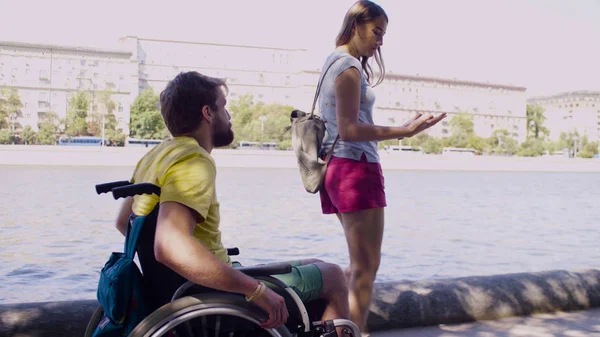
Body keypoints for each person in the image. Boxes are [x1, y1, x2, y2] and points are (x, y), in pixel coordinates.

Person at [114, 71, 350, 331]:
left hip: (181, 289)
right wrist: (255, 290)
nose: (229, 116)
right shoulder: (194, 161)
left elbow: (125, 223)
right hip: (205, 294)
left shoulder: (155, 156)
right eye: (224, 107)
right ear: (208, 113)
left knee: (316, 264)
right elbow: (169, 246)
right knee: (335, 277)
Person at [316, 1, 447, 333]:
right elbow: (349, 129)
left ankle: (337, 328)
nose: (381, 41)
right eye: (377, 31)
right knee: (366, 267)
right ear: (356, 25)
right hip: (355, 168)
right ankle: (353, 332)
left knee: (360, 266)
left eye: (384, 33)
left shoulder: (334, 61)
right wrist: (406, 131)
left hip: (342, 167)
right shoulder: (347, 67)